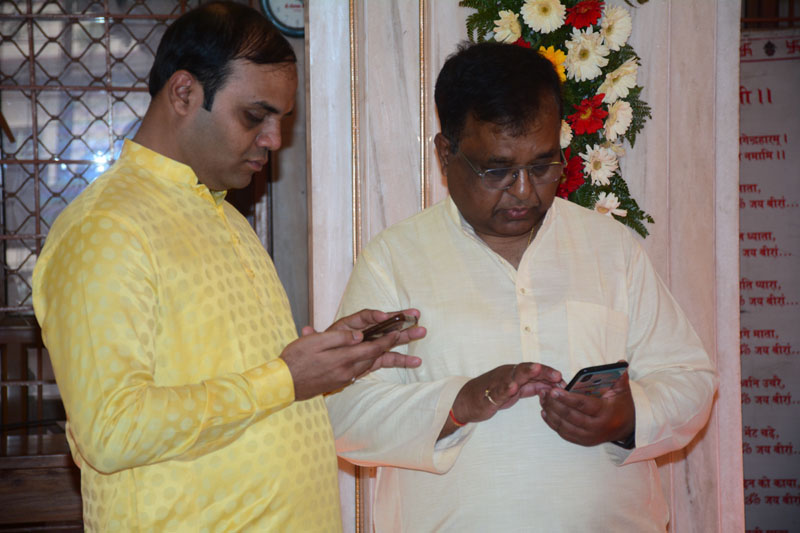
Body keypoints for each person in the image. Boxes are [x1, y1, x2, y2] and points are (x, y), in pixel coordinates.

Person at [32, 3, 423, 530]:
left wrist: (329, 364)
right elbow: (112, 431)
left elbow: (245, 388)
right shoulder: (105, 228)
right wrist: (285, 378)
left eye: (281, 120)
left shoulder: (225, 215)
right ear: (184, 93)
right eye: (254, 116)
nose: (274, 140)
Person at [325, 41, 717, 531]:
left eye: (542, 166)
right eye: (498, 170)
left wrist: (630, 416)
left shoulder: (610, 248)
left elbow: (690, 379)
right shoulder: (393, 260)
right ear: (445, 153)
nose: (524, 191)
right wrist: (459, 403)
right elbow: (344, 415)